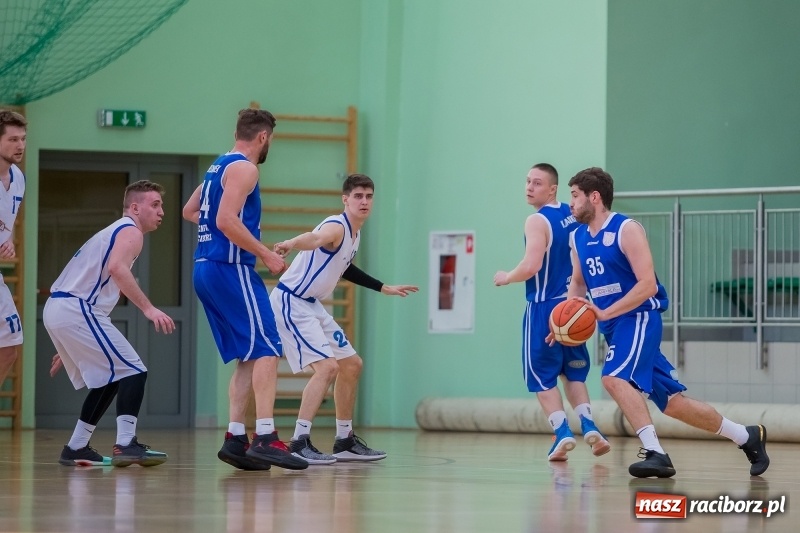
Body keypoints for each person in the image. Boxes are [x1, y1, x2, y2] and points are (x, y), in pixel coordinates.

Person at [563, 166, 769, 478]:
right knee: (674, 404)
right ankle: (746, 436)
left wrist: (606, 312)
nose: (571, 203)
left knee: (613, 379)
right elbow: (578, 285)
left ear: (595, 197)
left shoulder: (626, 229)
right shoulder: (577, 237)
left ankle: (655, 452)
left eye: (575, 196)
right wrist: (563, 324)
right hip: (614, 325)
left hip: (639, 317)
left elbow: (647, 284)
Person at [182, 108, 307, 471]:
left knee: (249, 355)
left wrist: (225, 237)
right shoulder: (246, 168)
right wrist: (264, 252)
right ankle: (266, 436)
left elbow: (192, 211)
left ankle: (236, 438)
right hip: (230, 268)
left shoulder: (216, 167)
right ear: (263, 137)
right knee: (268, 347)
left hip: (205, 267)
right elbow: (224, 219)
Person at [270, 173, 418, 464]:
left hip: (311, 305)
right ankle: (299, 441)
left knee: (351, 364)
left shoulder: (354, 232)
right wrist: (290, 241)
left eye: (369, 196)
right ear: (346, 199)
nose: (364, 201)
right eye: (358, 196)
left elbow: (345, 267)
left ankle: (344, 440)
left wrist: (382, 286)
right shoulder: (336, 225)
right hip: (291, 301)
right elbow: (314, 239)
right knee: (326, 368)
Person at [45, 180, 173, 467]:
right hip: (75, 308)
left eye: (161, 205)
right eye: (155, 205)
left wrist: (73, 343)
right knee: (134, 371)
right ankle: (126, 443)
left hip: (65, 309)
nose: (161, 211)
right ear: (135, 207)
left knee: (112, 377)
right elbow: (116, 270)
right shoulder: (130, 231)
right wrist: (149, 309)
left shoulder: (115, 231)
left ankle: (76, 447)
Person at [494, 163, 610, 461]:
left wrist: (507, 276)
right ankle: (588, 423)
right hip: (573, 306)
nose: (529, 187)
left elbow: (532, 266)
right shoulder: (572, 216)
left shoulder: (537, 220)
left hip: (544, 308)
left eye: (536, 182)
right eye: (527, 181)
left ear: (552, 188)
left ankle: (561, 432)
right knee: (573, 374)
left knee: (541, 377)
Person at [0, 110, 27, 390]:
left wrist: (8, 239)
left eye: (23, 139)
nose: (20, 145)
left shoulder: (19, 177)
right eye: (12, 139)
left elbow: (10, 217)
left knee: (10, 348)